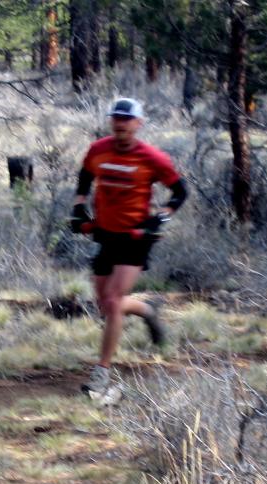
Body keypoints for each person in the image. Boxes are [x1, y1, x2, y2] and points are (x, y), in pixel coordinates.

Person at [70, 97, 187, 406]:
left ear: (138, 123)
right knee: (106, 303)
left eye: (127, 119)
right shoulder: (98, 150)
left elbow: (180, 191)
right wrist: (79, 205)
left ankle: (102, 373)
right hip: (106, 233)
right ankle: (148, 310)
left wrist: (161, 216)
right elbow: (85, 176)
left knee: (111, 302)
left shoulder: (152, 158)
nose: (121, 123)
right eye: (116, 118)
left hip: (136, 237)